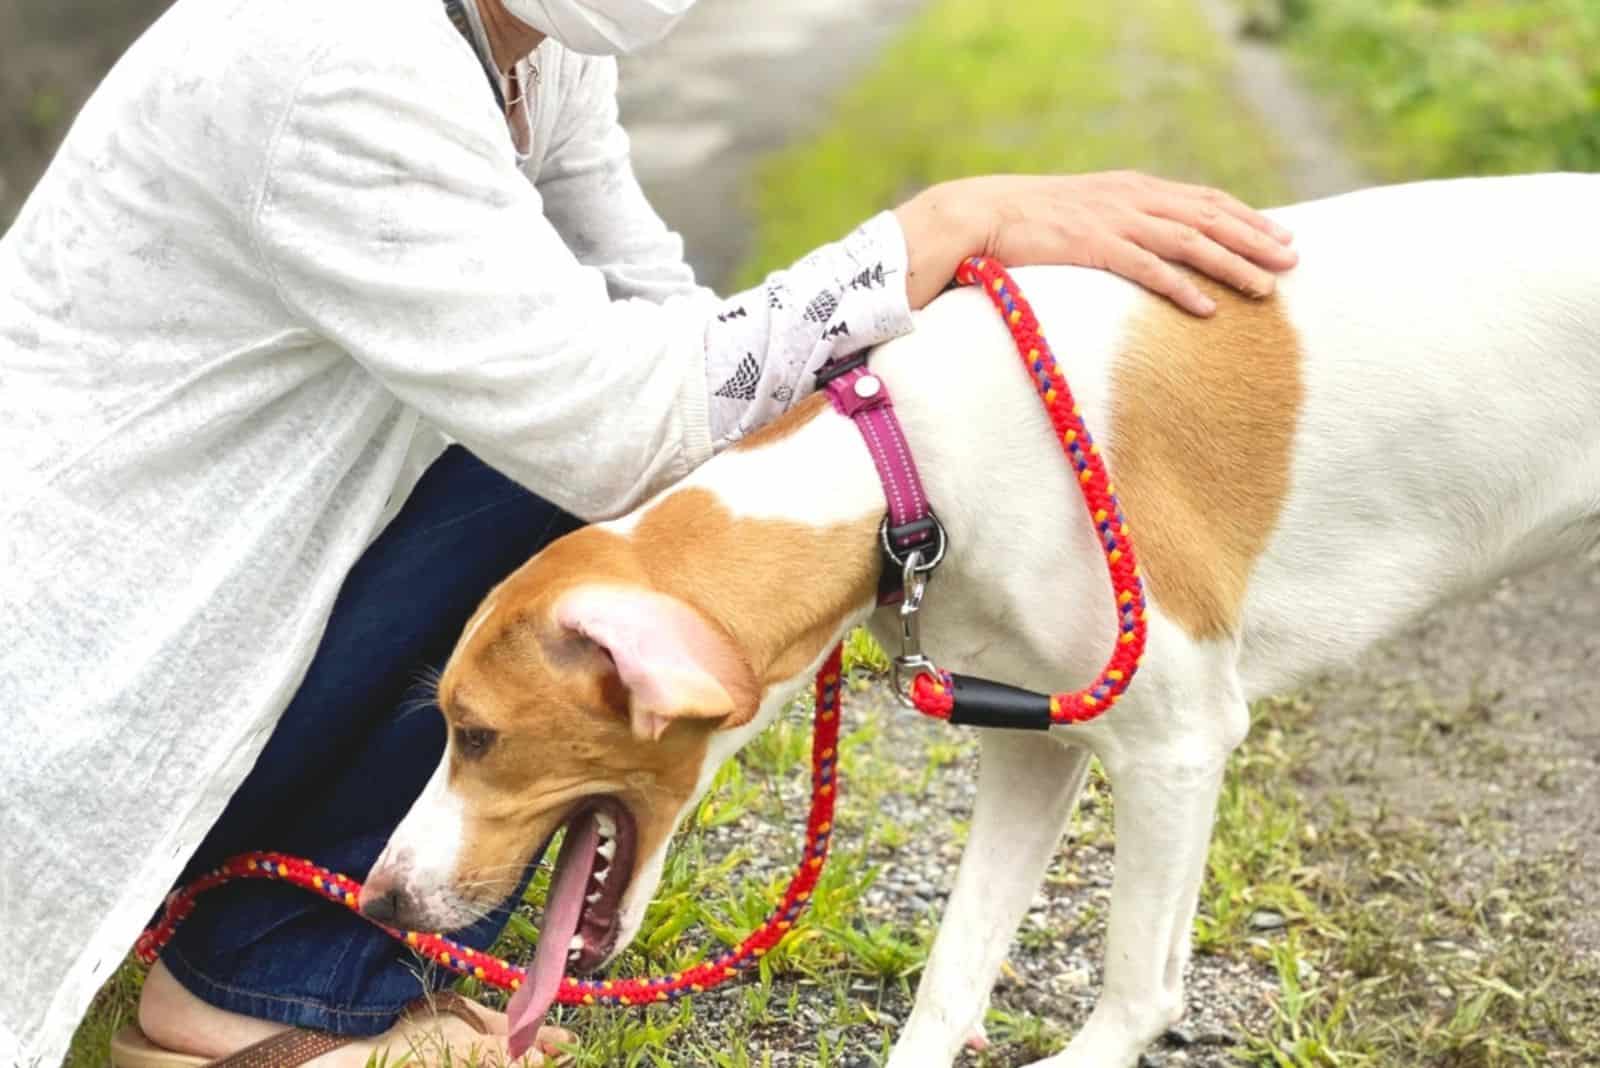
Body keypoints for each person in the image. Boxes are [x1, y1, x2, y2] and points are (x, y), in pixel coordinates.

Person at [0, 0, 1298, 1063]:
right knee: (578, 487)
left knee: (622, 471)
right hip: (91, 679)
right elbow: (617, 426)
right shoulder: (341, 55)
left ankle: (304, 930)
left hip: (229, 603)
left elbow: (664, 315)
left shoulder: (523, 50)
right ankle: (253, 991)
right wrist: (934, 232)